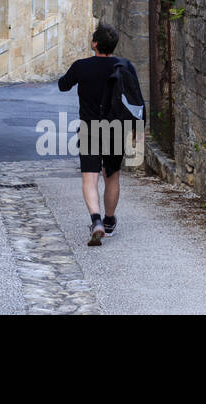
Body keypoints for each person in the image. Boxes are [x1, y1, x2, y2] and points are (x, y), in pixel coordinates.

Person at [57, 22, 136, 246]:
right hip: (115, 129)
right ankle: (109, 222)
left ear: (94, 43)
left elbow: (63, 85)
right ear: (113, 45)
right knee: (112, 176)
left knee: (90, 178)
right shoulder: (124, 66)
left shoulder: (81, 66)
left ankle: (96, 220)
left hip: (90, 129)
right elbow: (134, 99)